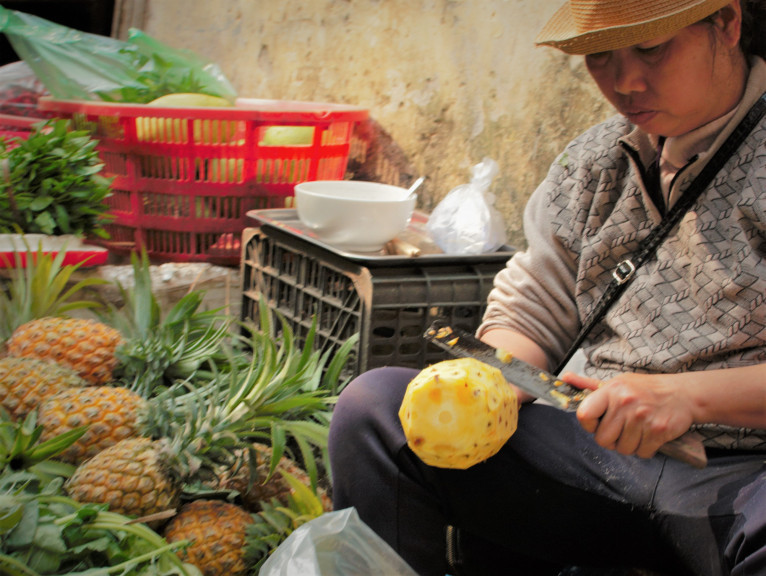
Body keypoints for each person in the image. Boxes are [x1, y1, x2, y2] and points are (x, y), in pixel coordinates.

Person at [328, 0, 766, 574]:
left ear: (727, 25)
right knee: (375, 412)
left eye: (653, 48)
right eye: (601, 56)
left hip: (745, 476)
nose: (625, 81)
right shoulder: (593, 161)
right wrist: (495, 379)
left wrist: (688, 398)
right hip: (598, 452)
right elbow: (539, 299)